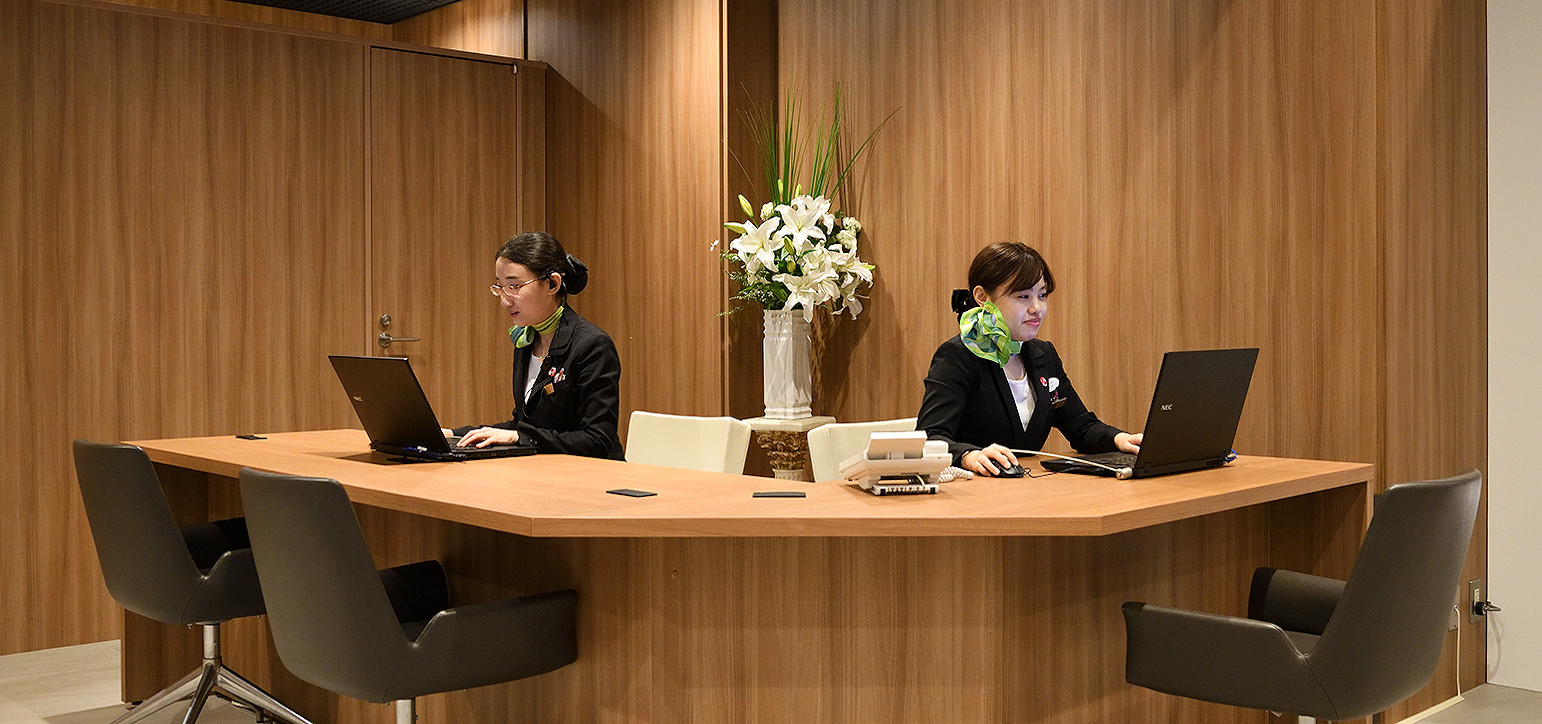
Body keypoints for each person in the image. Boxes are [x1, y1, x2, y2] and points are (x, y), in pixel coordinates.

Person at [916, 242, 1141, 476]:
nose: (1037, 308)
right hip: (973, 497)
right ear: (982, 297)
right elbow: (930, 437)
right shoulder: (958, 356)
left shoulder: (1043, 354)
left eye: (1042, 295)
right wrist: (968, 455)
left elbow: (1081, 428)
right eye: (1024, 296)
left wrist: (1119, 439)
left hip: (1029, 492)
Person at [454, 231, 625, 460]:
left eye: (514, 286)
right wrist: (454, 435)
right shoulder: (527, 341)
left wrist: (519, 437)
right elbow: (523, 425)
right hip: (543, 472)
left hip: (591, 478)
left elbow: (597, 440)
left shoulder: (592, 346)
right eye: (500, 287)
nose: (505, 301)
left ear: (552, 284)